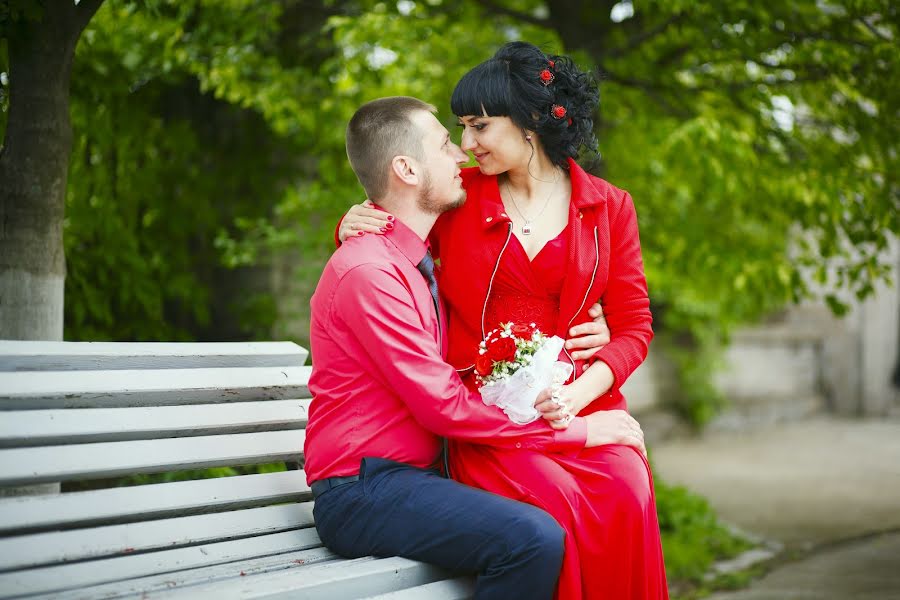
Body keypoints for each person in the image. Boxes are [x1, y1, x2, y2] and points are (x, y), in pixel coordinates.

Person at [337, 43, 668, 599]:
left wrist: (579, 396)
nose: (466, 145)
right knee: (552, 500)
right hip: (491, 415)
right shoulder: (460, 200)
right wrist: (351, 223)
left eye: (479, 126)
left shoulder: (609, 207)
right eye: (461, 128)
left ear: (531, 123)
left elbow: (635, 325)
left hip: (581, 403)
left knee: (628, 490)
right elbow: (392, 246)